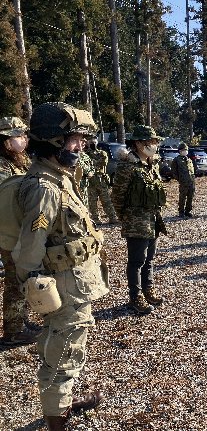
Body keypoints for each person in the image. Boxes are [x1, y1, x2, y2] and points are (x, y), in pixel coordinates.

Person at [12, 102, 108, 429]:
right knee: (63, 353)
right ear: (54, 141)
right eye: (75, 139)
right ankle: (57, 419)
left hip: (74, 282)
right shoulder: (44, 188)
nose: (81, 146)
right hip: (63, 287)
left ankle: (62, 403)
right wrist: (35, 288)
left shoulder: (60, 178)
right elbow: (29, 249)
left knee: (68, 346)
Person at [111, 125, 166, 315]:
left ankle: (148, 289)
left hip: (153, 220)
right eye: (151, 142)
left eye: (155, 142)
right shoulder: (127, 166)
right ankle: (135, 297)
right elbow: (117, 196)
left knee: (149, 259)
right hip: (136, 221)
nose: (154, 145)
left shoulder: (152, 164)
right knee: (137, 261)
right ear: (138, 144)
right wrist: (125, 218)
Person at [0, 116, 38, 345]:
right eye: (19, 135)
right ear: (6, 140)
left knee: (23, 277)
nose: (24, 139)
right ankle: (13, 331)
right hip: (9, 231)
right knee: (14, 280)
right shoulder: (2, 166)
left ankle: (21, 320)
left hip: (21, 228)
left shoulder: (20, 161)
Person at [85, 136, 118, 224]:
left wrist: (91, 163)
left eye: (94, 143)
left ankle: (112, 217)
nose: (93, 144)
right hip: (91, 182)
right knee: (92, 202)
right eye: (91, 143)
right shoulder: (85, 154)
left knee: (106, 200)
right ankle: (95, 218)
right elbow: (85, 166)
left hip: (101, 181)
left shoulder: (102, 153)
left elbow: (102, 163)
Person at [171, 142, 196, 217]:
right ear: (180, 151)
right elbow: (174, 172)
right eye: (184, 150)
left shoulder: (189, 160)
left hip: (191, 181)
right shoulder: (176, 160)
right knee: (182, 197)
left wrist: (193, 179)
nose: (186, 151)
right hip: (183, 182)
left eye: (186, 150)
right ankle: (181, 212)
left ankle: (188, 211)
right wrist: (179, 179)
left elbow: (192, 170)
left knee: (190, 197)